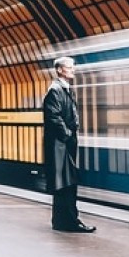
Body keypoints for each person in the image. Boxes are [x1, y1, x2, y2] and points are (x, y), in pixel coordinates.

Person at [42, 55, 95, 234]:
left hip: (63, 146)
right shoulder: (55, 90)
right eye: (70, 67)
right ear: (59, 70)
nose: (73, 70)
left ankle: (61, 221)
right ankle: (70, 221)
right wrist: (68, 134)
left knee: (65, 183)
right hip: (60, 146)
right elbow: (53, 116)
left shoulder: (64, 89)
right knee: (67, 184)